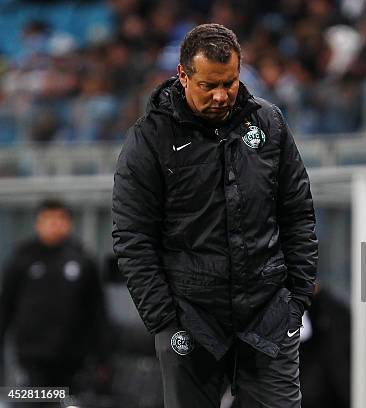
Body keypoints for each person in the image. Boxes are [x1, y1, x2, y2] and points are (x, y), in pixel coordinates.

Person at [111, 23, 318, 408]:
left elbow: (298, 214)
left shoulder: (269, 124)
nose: (222, 95)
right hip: (190, 321)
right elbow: (132, 237)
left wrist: (297, 301)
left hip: (268, 316)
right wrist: (165, 321)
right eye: (209, 86)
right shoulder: (149, 138)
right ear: (183, 76)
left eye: (231, 82)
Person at [0, 199, 106, 394]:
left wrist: (101, 355)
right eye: (48, 219)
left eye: (60, 219)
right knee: (31, 401)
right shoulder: (22, 257)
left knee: (67, 400)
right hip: (31, 354)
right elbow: (6, 304)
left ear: (68, 223)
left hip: (72, 355)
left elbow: (96, 309)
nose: (54, 224)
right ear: (38, 223)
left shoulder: (82, 259)